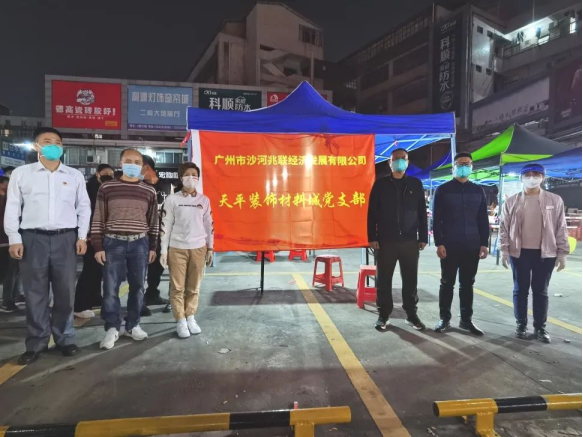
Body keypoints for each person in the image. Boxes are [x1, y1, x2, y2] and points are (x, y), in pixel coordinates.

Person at [4, 127, 91, 364]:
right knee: (35, 293)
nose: (53, 145)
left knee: (65, 292)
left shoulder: (73, 175)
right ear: (36, 146)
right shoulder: (22, 174)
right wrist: (14, 238)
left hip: (66, 238)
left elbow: (84, 207)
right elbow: (13, 207)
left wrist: (82, 237)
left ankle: (65, 338)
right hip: (33, 239)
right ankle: (36, 342)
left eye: (58, 142)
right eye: (47, 141)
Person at [91, 149, 158, 350]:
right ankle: (112, 327)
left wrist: (152, 246)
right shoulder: (107, 188)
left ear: (142, 166)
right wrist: (98, 246)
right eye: (128, 161)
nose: (132, 164)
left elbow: (153, 221)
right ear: (120, 163)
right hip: (113, 243)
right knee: (110, 288)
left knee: (138, 287)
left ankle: (132, 325)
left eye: (137, 162)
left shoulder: (149, 191)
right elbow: (98, 217)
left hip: (140, 244)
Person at [499, 163, 569, 343]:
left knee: (541, 291)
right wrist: (504, 250)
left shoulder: (555, 200)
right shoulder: (511, 201)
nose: (532, 178)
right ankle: (521, 325)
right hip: (519, 253)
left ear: (543, 177)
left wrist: (562, 253)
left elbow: (561, 227)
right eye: (528, 174)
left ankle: (540, 328)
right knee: (520, 290)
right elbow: (504, 228)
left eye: (536, 174)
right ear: (521, 178)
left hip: (545, 254)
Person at [367, 148, 428, 331]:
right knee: (384, 280)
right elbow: (372, 213)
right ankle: (383, 315)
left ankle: (411, 314)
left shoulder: (415, 184)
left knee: (410, 280)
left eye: (403, 159)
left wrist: (423, 236)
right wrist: (372, 237)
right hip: (386, 240)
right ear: (390, 162)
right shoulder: (380, 185)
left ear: (408, 162)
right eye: (396, 159)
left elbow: (422, 213)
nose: (399, 162)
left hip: (410, 241)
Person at [432, 152, 489, 336]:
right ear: (454, 168)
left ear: (472, 167)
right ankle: (444, 318)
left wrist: (484, 243)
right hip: (449, 244)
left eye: (467, 164)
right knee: (447, 283)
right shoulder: (443, 190)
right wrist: (439, 243)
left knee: (467, 284)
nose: (464, 166)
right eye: (460, 164)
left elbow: (483, 219)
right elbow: (437, 219)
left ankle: (466, 320)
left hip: (472, 244)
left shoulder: (478, 190)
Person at [160, 163, 214, 338]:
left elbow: (209, 225)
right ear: (181, 177)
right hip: (177, 248)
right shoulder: (172, 200)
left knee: (194, 286)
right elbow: (166, 225)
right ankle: (180, 320)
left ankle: (190, 316)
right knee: (177, 287)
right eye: (187, 174)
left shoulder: (204, 200)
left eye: (194, 174)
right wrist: (163, 250)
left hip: (198, 248)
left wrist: (210, 247)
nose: (191, 177)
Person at [73, 164, 114, 318]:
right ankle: (80, 305)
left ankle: (95, 298)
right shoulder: (90, 190)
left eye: (111, 174)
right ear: (97, 174)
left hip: (101, 235)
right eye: (105, 174)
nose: (108, 176)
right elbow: (86, 213)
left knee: (97, 270)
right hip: (90, 236)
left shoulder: (105, 188)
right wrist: (86, 234)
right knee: (90, 270)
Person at [140, 155, 174, 316]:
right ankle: (138, 302)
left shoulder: (168, 185)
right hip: (143, 235)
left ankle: (152, 294)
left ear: (146, 167)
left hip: (163, 236)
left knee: (158, 268)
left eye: (138, 164)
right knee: (140, 269)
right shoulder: (139, 187)